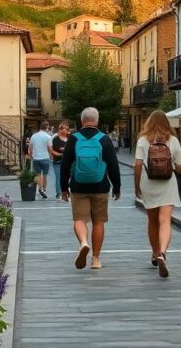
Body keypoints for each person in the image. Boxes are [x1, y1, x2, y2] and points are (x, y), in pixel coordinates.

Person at [60, 107, 121, 270]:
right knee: (98, 222)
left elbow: (65, 165)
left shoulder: (73, 139)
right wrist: (117, 187)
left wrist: (63, 188)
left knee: (79, 220)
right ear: (97, 121)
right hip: (100, 186)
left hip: (79, 186)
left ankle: (83, 242)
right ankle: (95, 259)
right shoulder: (104, 139)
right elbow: (114, 166)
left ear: (82, 121)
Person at [133, 110, 181, 278]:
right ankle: (163, 252)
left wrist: (137, 187)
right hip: (167, 183)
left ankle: (155, 253)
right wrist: (174, 166)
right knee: (165, 221)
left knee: (152, 221)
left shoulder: (143, 140)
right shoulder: (173, 140)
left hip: (149, 183)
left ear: (148, 123)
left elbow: (137, 165)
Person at [26, 121, 53, 199]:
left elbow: (30, 148)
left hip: (36, 158)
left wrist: (31, 156)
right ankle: (44, 190)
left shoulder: (34, 136)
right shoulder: (48, 137)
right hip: (45, 158)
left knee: (38, 175)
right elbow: (50, 148)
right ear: (47, 127)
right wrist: (51, 156)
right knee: (45, 175)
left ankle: (40, 189)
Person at [49, 121, 72, 201]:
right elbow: (52, 151)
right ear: (61, 130)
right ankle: (59, 193)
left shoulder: (70, 139)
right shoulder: (55, 139)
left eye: (67, 129)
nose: (67, 131)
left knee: (70, 176)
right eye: (65, 129)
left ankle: (67, 190)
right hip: (58, 161)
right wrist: (61, 154)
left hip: (69, 161)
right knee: (59, 177)